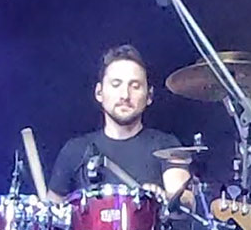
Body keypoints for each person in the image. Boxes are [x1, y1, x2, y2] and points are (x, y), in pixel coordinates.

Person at [47, 44, 189, 201]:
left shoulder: (167, 146)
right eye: (116, 84)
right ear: (99, 92)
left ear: (149, 96)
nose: (125, 95)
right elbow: (52, 209)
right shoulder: (74, 150)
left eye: (135, 86)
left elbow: (184, 200)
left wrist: (162, 197)